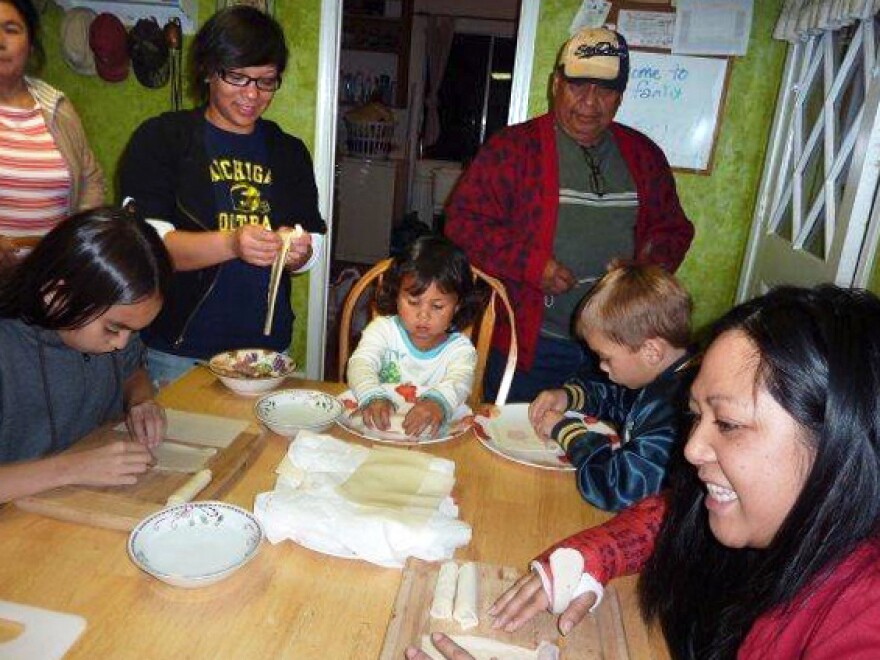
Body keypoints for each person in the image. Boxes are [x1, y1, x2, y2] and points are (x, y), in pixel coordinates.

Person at [464, 285, 880, 659]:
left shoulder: (864, 621)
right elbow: (674, 512)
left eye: (730, 425)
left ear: (839, 441)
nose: (692, 449)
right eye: (696, 416)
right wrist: (593, 554)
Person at [444, 27, 693, 403]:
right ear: (556, 83)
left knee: (600, 447)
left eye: (605, 91)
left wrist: (638, 271)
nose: (589, 104)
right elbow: (463, 225)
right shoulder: (512, 149)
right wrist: (534, 266)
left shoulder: (644, 155)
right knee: (513, 444)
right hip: (533, 345)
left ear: (620, 97)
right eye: (578, 86)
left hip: (621, 348)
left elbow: (674, 230)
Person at [118, 5, 326, 387]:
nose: (252, 95)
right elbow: (146, 249)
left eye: (266, 81)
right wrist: (232, 243)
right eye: (237, 77)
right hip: (180, 352)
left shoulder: (288, 151)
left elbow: (312, 239)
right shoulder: (163, 138)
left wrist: (300, 251)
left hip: (265, 352)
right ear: (208, 70)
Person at [0, 207, 173, 503]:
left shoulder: (113, 327)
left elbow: (132, 367)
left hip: (76, 501)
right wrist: (70, 468)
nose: (121, 343)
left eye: (133, 331)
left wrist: (140, 399)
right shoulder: (8, 347)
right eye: (114, 328)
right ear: (57, 297)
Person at [529, 264, 696, 511]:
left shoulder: (676, 412)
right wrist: (569, 396)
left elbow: (616, 486)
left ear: (651, 351)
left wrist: (567, 432)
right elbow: (622, 402)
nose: (602, 367)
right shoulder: (664, 379)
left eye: (606, 358)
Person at [347, 235, 485, 438]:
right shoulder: (382, 330)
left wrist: (438, 402)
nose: (424, 315)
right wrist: (371, 395)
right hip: (380, 435)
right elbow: (361, 363)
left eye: (437, 306)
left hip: (433, 442)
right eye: (413, 302)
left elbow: (459, 381)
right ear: (396, 296)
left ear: (457, 306)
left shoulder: (461, 350)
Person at [0, 0, 105, 268]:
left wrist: (72, 243)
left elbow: (91, 179)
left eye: (11, 29)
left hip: (50, 281)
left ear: (31, 44)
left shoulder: (57, 106)